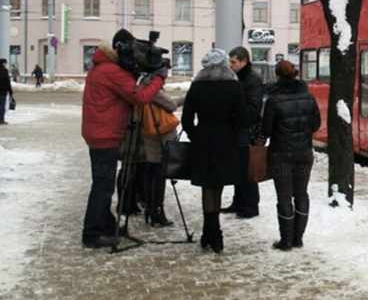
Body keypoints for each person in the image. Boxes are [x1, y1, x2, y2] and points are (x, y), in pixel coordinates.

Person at [81, 29, 165, 248]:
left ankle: (106, 225)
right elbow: (141, 97)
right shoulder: (111, 72)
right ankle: (92, 234)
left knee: (102, 183)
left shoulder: (103, 68)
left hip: (99, 132)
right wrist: (158, 78)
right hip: (105, 135)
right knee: (103, 186)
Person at [181, 48, 246, 253]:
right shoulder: (234, 87)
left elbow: (186, 119)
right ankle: (214, 235)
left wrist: (195, 135)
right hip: (226, 142)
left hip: (203, 142)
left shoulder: (197, 86)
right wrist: (234, 136)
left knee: (207, 187)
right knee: (217, 185)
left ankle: (210, 233)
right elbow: (242, 118)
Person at [260, 60, 321, 250]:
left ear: (277, 76)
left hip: (281, 154)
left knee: (284, 197)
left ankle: (286, 240)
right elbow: (316, 125)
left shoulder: (273, 100)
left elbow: (267, 130)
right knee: (302, 194)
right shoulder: (309, 98)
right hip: (304, 153)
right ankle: (298, 238)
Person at [221, 47, 264, 219]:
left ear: (244, 61)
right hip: (238, 128)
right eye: (230, 62)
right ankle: (238, 202)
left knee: (248, 169)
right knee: (238, 167)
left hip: (247, 129)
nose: (231, 65)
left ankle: (250, 205)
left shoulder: (252, 79)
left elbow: (254, 108)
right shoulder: (237, 77)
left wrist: (235, 112)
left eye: (234, 62)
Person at [141, 88, 181, 227]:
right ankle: (156, 211)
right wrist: (185, 98)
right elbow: (170, 105)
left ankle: (150, 209)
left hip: (147, 129)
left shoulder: (140, 85)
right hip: (160, 132)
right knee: (159, 172)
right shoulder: (152, 87)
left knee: (151, 169)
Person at [0, 59, 13, 125]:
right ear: (3, 63)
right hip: (3, 91)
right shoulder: (5, 71)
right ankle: (1, 120)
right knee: (2, 106)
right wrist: (10, 91)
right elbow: (7, 82)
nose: (6, 64)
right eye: (5, 63)